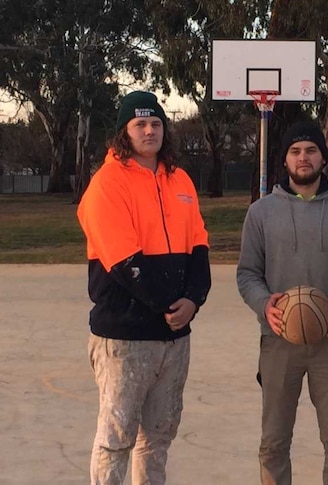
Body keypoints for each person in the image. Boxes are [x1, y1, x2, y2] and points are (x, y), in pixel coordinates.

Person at [77, 91, 211, 485]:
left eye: (156, 123)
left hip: (174, 338)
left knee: (157, 438)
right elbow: (124, 263)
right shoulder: (106, 184)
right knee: (116, 439)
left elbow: (199, 246)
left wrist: (194, 300)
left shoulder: (180, 179)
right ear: (124, 132)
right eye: (140, 124)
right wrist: (173, 305)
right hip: (125, 337)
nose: (149, 131)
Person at [236, 120, 328, 485]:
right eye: (296, 151)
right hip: (278, 341)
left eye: (311, 150)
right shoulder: (261, 213)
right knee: (273, 441)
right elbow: (247, 274)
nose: (304, 158)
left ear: (324, 157)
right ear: (284, 160)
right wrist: (265, 304)